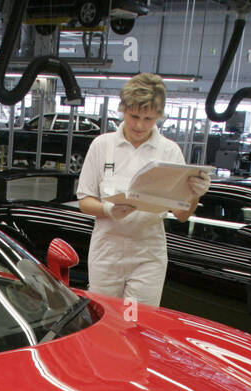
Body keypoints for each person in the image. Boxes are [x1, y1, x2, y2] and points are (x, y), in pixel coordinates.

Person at [76, 73, 211, 307]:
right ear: (123, 110)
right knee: (104, 317)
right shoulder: (102, 145)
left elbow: (181, 215)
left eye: (148, 118)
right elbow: (84, 201)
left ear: (159, 116)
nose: (139, 125)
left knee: (135, 321)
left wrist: (195, 193)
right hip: (106, 252)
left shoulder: (169, 152)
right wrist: (108, 208)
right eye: (134, 116)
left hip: (147, 254)